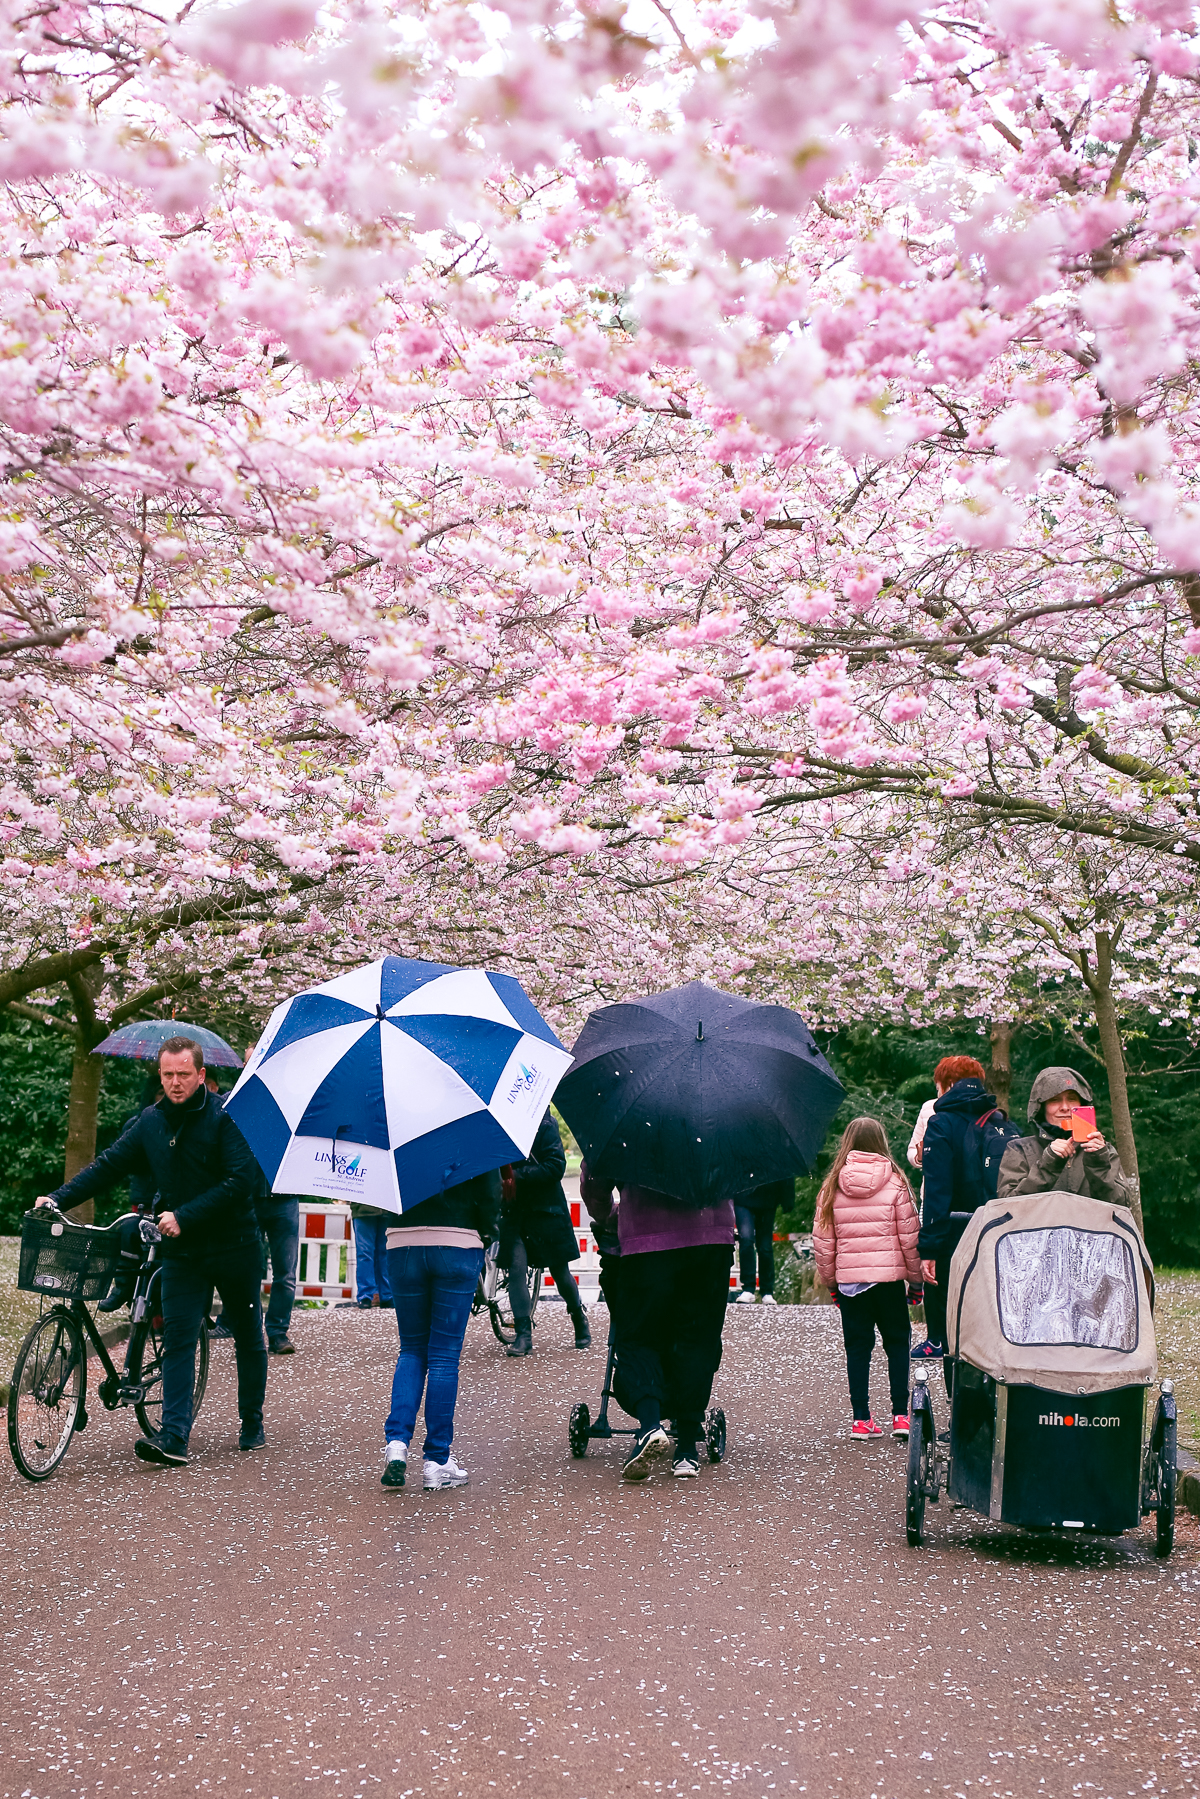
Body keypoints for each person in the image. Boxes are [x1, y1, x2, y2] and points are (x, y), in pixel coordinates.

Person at [37, 1036, 266, 1467]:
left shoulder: (227, 1117)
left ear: (201, 1076)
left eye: (183, 1074)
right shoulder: (151, 1121)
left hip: (235, 1244)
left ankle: (251, 1422)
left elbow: (240, 1183)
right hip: (182, 1251)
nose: (176, 1083)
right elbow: (108, 1165)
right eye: (168, 1075)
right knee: (179, 1336)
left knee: (248, 1334)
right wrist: (57, 1198)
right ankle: (174, 1436)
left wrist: (184, 1215)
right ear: (160, 1076)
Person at [581, 1163, 734, 1481]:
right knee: (698, 1336)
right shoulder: (719, 1116)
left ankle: (649, 1427)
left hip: (647, 1239)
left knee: (639, 1334)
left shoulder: (625, 1118)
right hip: (711, 1239)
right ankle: (688, 1449)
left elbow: (596, 1178)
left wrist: (610, 1214)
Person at [380, 1168, 502, 1491]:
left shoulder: (394, 1123)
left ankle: (396, 1443)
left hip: (402, 1242)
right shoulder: (473, 1125)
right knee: (445, 1356)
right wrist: (486, 1234)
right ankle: (436, 1460)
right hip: (457, 1241)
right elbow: (491, 1193)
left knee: (411, 1349)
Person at [812, 1117, 921, 1442]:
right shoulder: (896, 1182)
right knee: (898, 1343)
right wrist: (915, 1282)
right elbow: (910, 1238)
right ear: (880, 1142)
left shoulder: (832, 1185)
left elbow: (823, 1243)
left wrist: (832, 1283)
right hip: (888, 1282)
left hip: (851, 1285)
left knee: (857, 1349)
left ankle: (861, 1419)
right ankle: (901, 1416)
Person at [916, 1056, 997, 1371]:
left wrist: (930, 1249)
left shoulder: (942, 1124)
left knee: (955, 1316)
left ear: (949, 1086)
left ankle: (959, 1399)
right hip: (992, 1228)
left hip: (954, 1232)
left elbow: (938, 1192)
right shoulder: (999, 1121)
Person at [501, 1110, 591, 1357]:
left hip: (545, 1211)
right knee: (516, 1268)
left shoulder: (545, 1124)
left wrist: (517, 1176)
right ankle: (523, 1334)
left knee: (559, 1271)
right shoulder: (500, 1126)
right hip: (515, 1212)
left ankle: (578, 1316)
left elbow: (556, 1166)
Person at [236, 1039, 300, 1357]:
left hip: (283, 1197)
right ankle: (247, 1330)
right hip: (247, 1197)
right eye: (251, 1061)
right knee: (246, 1267)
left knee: (286, 1272)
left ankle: (277, 1332)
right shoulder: (236, 1105)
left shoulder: (292, 1100)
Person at [998, 1066, 1134, 1204]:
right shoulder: (1020, 1149)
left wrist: (1098, 1164)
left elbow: (1121, 1205)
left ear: (1082, 1104)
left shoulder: (1102, 1150)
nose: (1064, 1107)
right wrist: (1048, 1164)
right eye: (1054, 1100)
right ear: (1041, 1107)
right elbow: (1007, 1205)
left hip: (1089, 1226)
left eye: (1072, 1099)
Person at [907, 1081, 942, 1360]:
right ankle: (935, 1337)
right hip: (931, 1194)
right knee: (930, 1262)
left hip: (967, 1198)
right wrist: (919, 1157)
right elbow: (912, 1152)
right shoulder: (929, 1109)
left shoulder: (979, 1113)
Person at [731, 1179, 790, 1306]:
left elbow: (784, 1169)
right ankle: (748, 1288)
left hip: (768, 1197)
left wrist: (787, 1197)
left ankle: (767, 1291)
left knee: (764, 1246)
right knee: (746, 1240)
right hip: (742, 1195)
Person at [350, 1201, 393, 1309]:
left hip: (376, 1210)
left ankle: (371, 1295)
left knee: (376, 1253)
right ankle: (373, 1295)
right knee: (369, 1253)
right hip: (370, 1210)